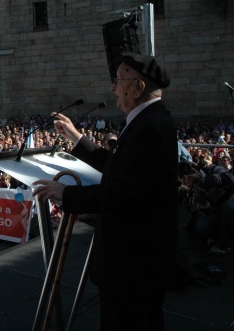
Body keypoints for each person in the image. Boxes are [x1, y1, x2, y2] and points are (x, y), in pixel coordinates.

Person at [33, 53, 178, 331]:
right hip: (136, 263)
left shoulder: (150, 127)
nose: (113, 88)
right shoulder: (148, 121)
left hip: (132, 265)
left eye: (119, 80)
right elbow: (118, 168)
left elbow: (124, 193)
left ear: (138, 87)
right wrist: (76, 138)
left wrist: (66, 194)